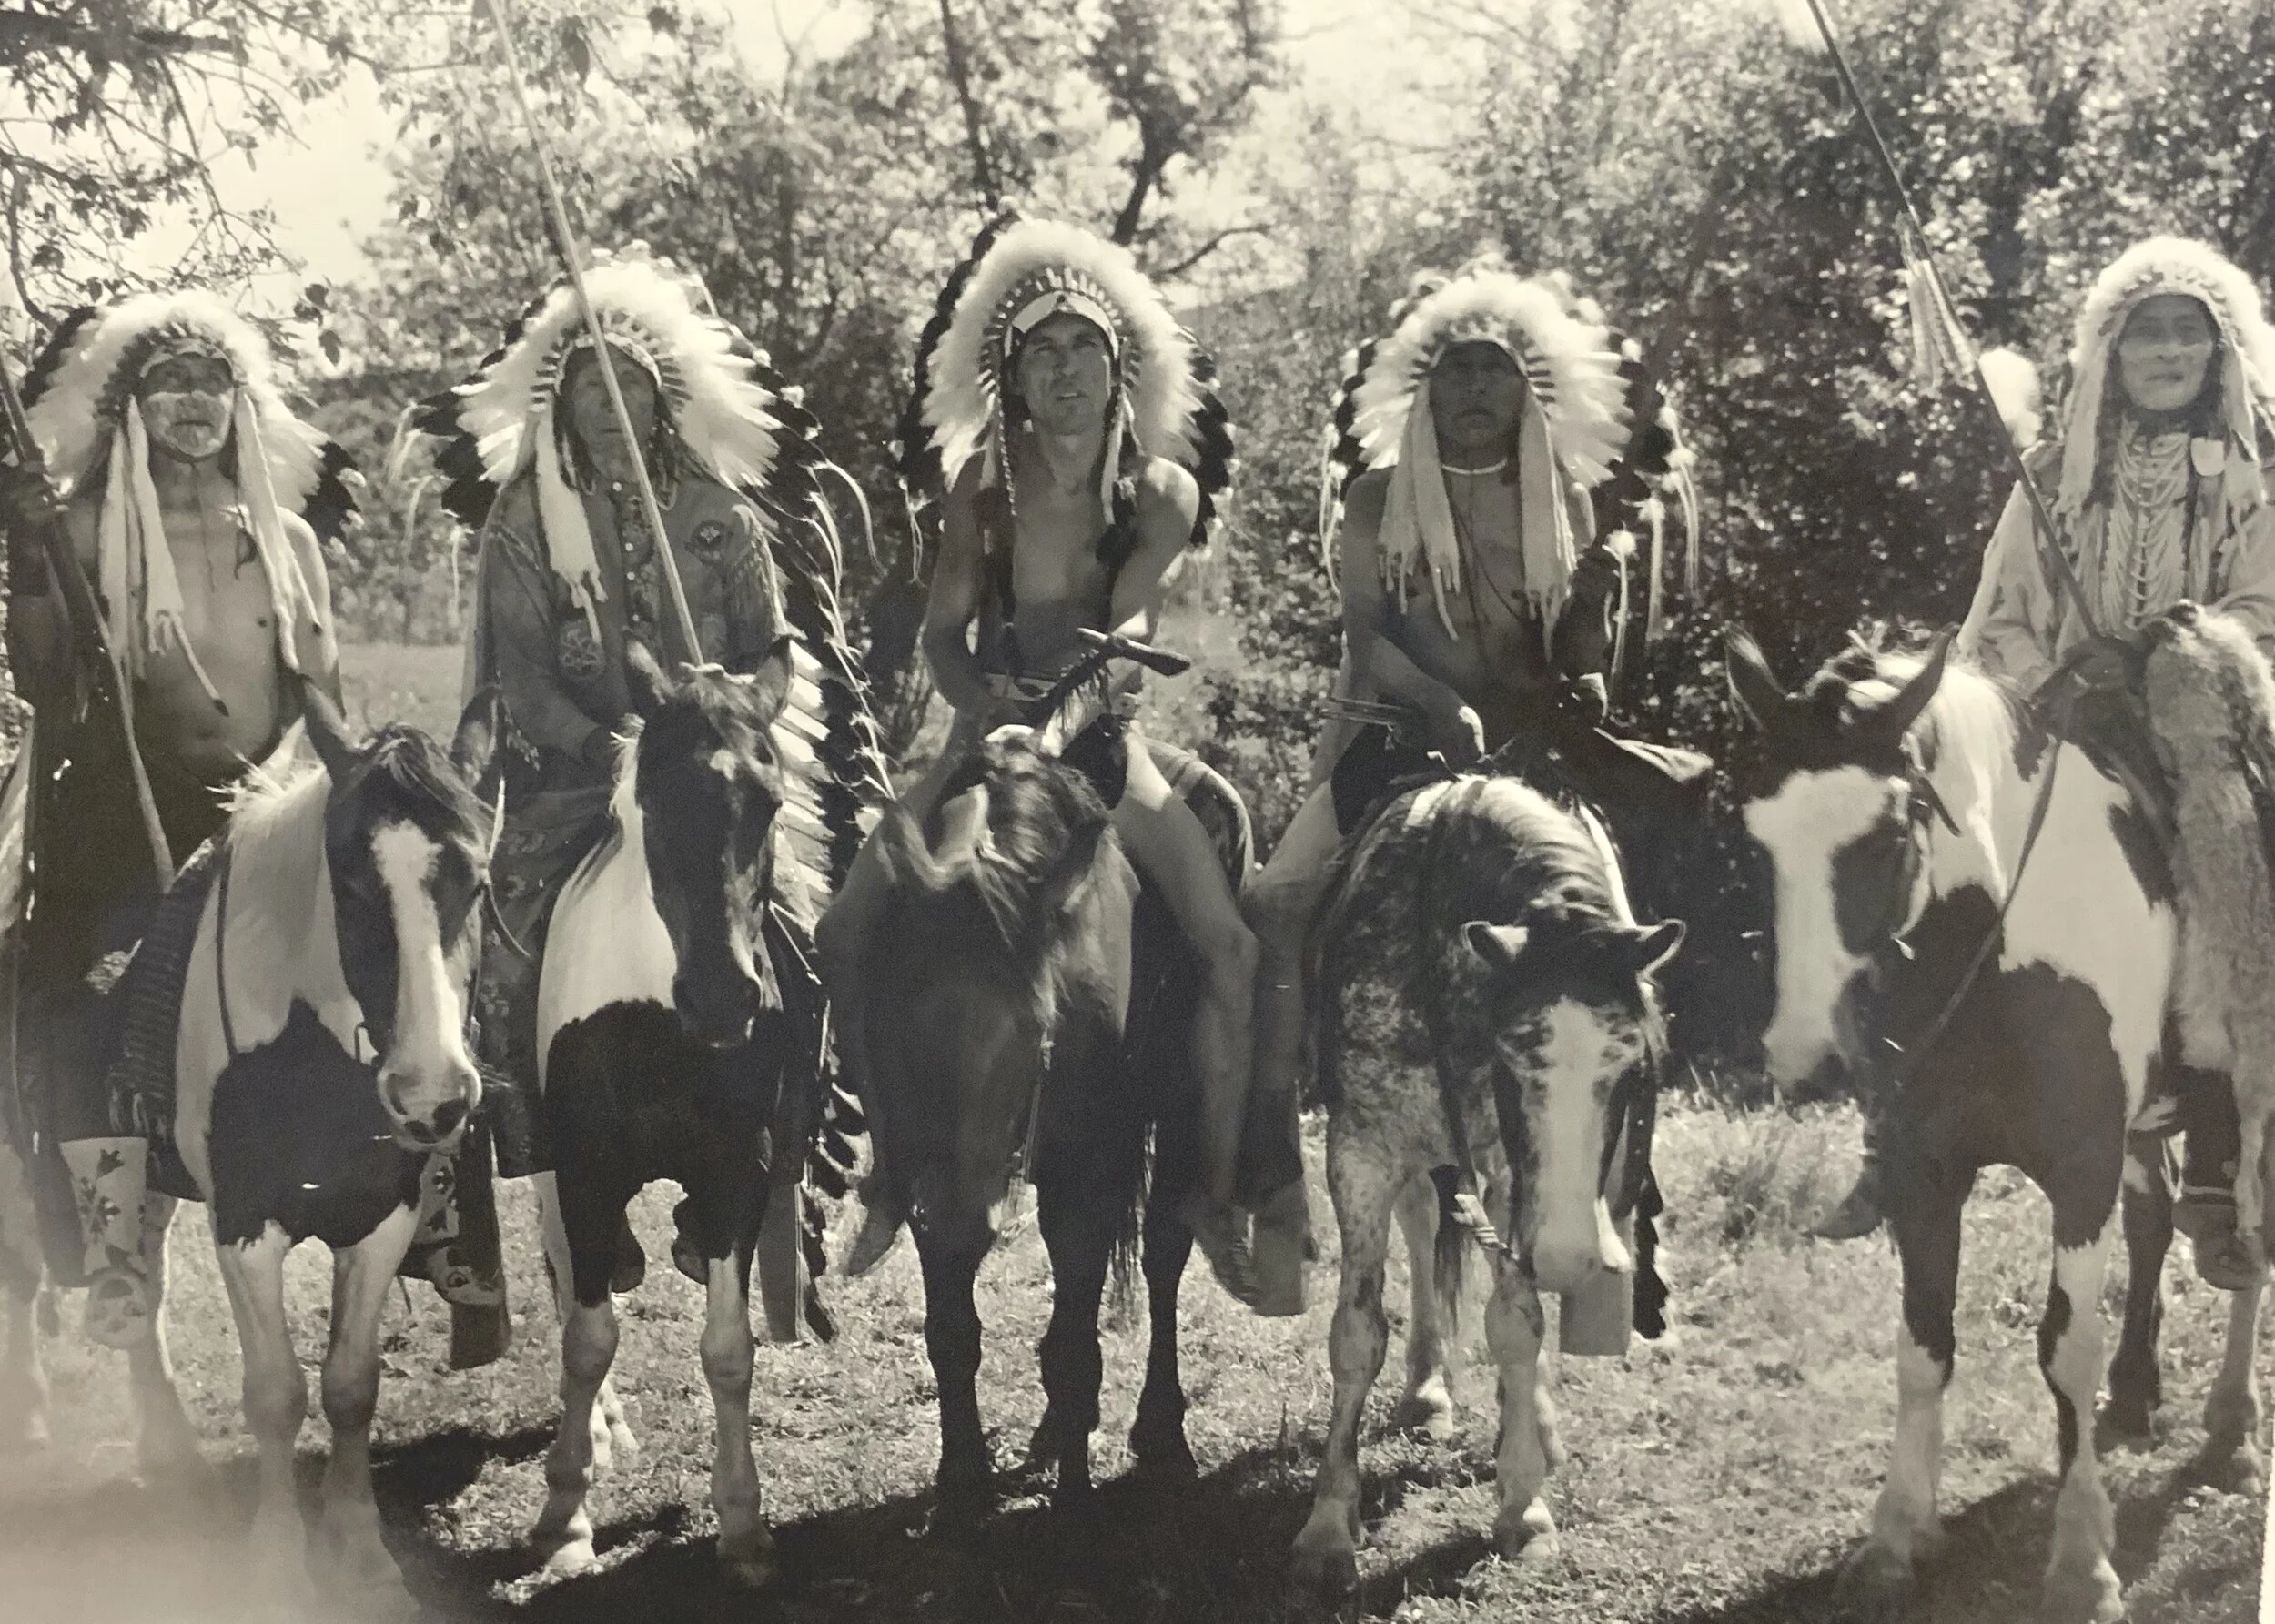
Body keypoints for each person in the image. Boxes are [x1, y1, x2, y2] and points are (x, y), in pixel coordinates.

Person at [819, 215, 1275, 1306]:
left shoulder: (1159, 494)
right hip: (985, 740)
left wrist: (1062, 719)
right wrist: (980, 703)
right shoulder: (984, 483)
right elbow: (942, 634)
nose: (1064, 372)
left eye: (1083, 350)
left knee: (1229, 947)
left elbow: (1128, 634)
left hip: (1106, 748)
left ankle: (1213, 1190)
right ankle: (888, 1170)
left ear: (1119, 368)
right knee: (843, 929)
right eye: (1043, 355)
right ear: (1015, 379)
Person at [420, 247, 887, 1298]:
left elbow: (772, 645)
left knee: (807, 949)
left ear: (660, 398)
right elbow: (518, 674)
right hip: (574, 781)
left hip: (711, 769)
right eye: (587, 387)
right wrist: (607, 747)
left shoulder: (721, 515)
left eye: (626, 385)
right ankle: (530, 1165)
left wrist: (732, 703)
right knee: (496, 964)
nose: (608, 405)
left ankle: (790, 1161)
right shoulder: (525, 523)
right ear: (559, 404)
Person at [1243, 261, 1696, 1310]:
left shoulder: (1570, 496)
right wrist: (1441, 704)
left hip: (1535, 753)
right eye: (1456, 370)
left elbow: (1579, 650)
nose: (1476, 389)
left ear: (1527, 385)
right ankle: (1272, 1168)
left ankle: (1631, 1202)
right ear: (1424, 386)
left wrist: (1588, 653)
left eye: (1495, 369)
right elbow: (1367, 640)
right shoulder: (1375, 498)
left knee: (1622, 946)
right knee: (1274, 902)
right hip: (1402, 739)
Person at [1887, 234, 2275, 1287]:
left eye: (2186, 332)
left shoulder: (2255, 475)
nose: (2166, 350)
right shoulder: (2052, 474)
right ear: (2109, 349)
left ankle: (2218, 1141)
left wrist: (2157, 653)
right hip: (2058, 718)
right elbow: (1998, 616)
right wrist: (2052, 678)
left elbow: (2261, 609)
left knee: (2228, 861)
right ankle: (1914, 1100)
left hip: (2205, 724)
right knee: (1923, 838)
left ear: (2219, 350)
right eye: (2145, 333)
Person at [1, 293, 347, 1340]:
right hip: (120, 805)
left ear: (240, 402)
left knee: (386, 963)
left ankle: (407, 1212)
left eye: (210, 381)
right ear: (129, 408)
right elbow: (45, 679)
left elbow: (320, 688)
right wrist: (27, 553)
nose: (192, 402)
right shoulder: (79, 527)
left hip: (267, 800)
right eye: (168, 384)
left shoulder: (284, 538)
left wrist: (343, 790)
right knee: (87, 991)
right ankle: (114, 1252)